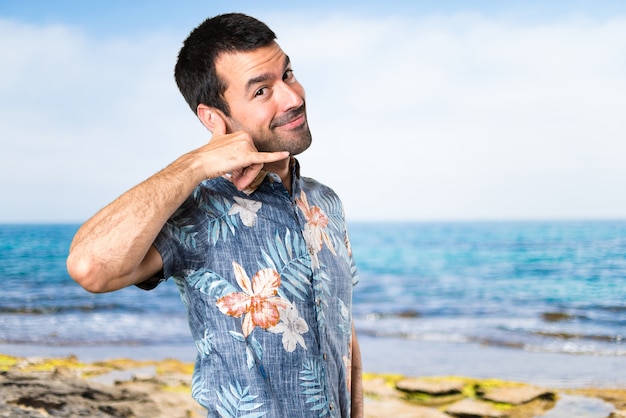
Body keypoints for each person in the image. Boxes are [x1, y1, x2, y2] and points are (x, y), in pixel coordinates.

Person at [66, 12, 363, 418]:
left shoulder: (326, 204)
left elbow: (343, 339)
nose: (293, 98)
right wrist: (194, 164)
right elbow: (90, 268)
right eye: (262, 91)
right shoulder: (200, 210)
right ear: (213, 118)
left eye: (288, 74)